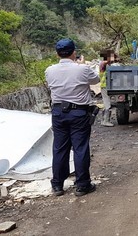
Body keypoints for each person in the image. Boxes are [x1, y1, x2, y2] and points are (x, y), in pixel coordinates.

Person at [45, 39, 100, 197]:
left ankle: (57, 185)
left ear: (57, 53)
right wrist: (81, 64)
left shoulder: (49, 70)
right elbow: (95, 80)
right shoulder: (82, 69)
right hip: (79, 113)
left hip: (58, 113)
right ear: (74, 52)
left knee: (59, 148)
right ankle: (82, 185)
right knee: (80, 148)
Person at [99, 50, 118, 127]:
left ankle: (104, 119)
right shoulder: (103, 63)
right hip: (105, 86)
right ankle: (105, 121)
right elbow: (106, 62)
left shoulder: (109, 66)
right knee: (107, 104)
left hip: (108, 86)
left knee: (107, 103)